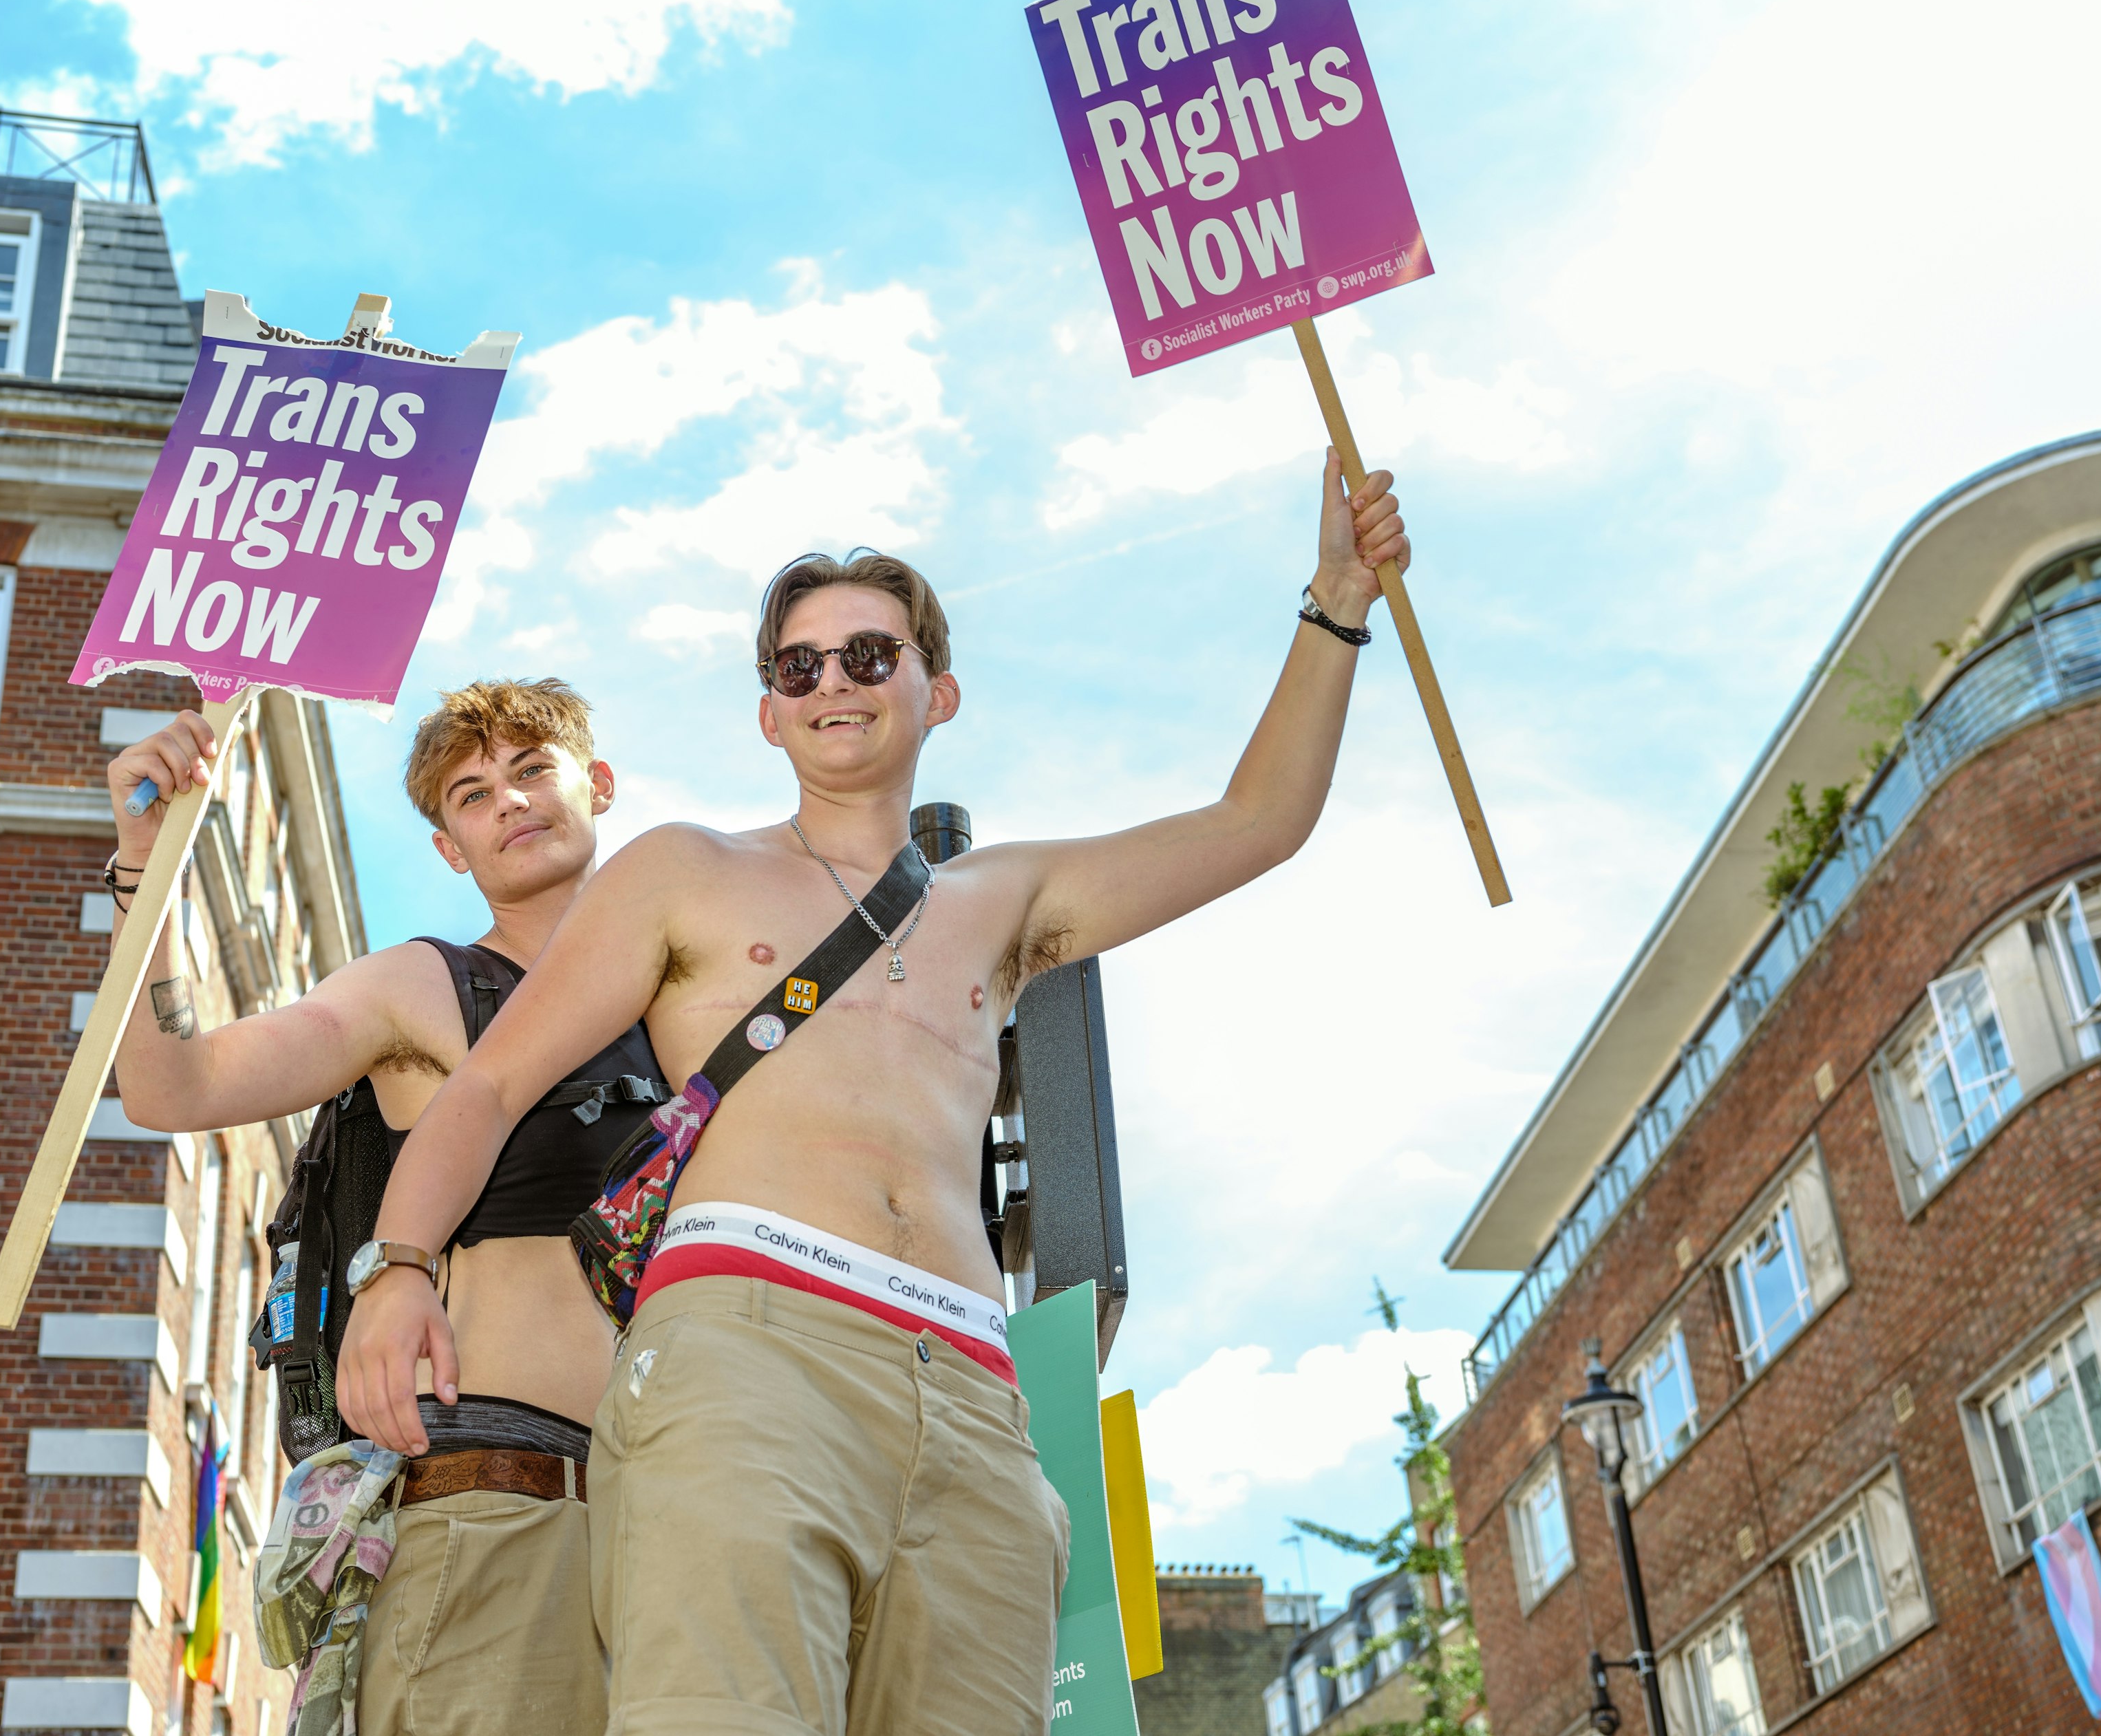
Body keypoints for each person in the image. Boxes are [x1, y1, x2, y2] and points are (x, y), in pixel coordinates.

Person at [338, 453, 1410, 1735]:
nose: (834, 682)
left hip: (967, 1382)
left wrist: (1337, 601)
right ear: (769, 715)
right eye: (800, 666)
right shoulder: (685, 871)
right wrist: (397, 1269)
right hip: (747, 1342)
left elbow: (1259, 822)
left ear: (935, 689)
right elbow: (496, 1079)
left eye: (869, 655)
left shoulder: (1005, 900)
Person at [103, 677, 663, 1736]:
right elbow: (173, 1088)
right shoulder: (425, 987)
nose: (510, 801)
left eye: (534, 769)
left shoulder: (691, 1006)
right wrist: (143, 864)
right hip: (502, 1512)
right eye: (472, 793)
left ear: (597, 785)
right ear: (453, 848)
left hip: (684, 1533)